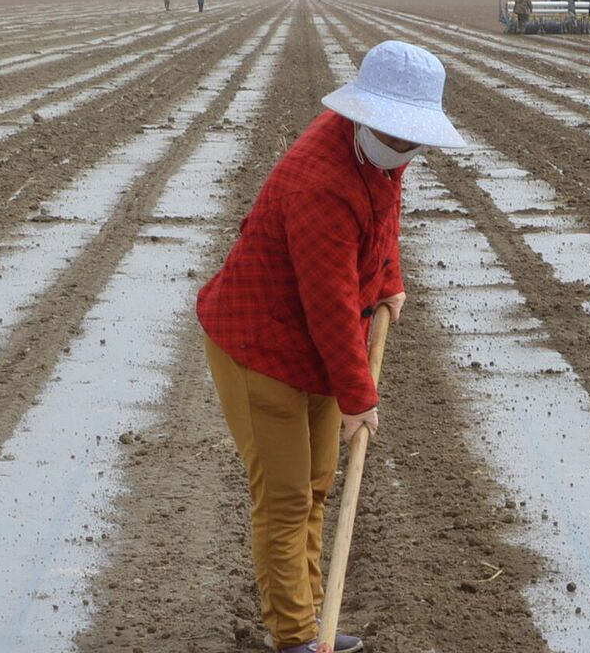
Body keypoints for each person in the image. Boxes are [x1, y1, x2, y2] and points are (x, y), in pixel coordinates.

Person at [195, 40, 468, 653]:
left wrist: (390, 279)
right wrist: (357, 397)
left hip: (307, 346)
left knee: (318, 484)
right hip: (258, 343)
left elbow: (383, 219)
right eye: (393, 136)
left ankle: (314, 620)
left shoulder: (375, 156)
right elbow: (330, 303)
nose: (402, 150)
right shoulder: (321, 183)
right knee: (288, 496)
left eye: (411, 139)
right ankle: (294, 638)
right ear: (364, 114)